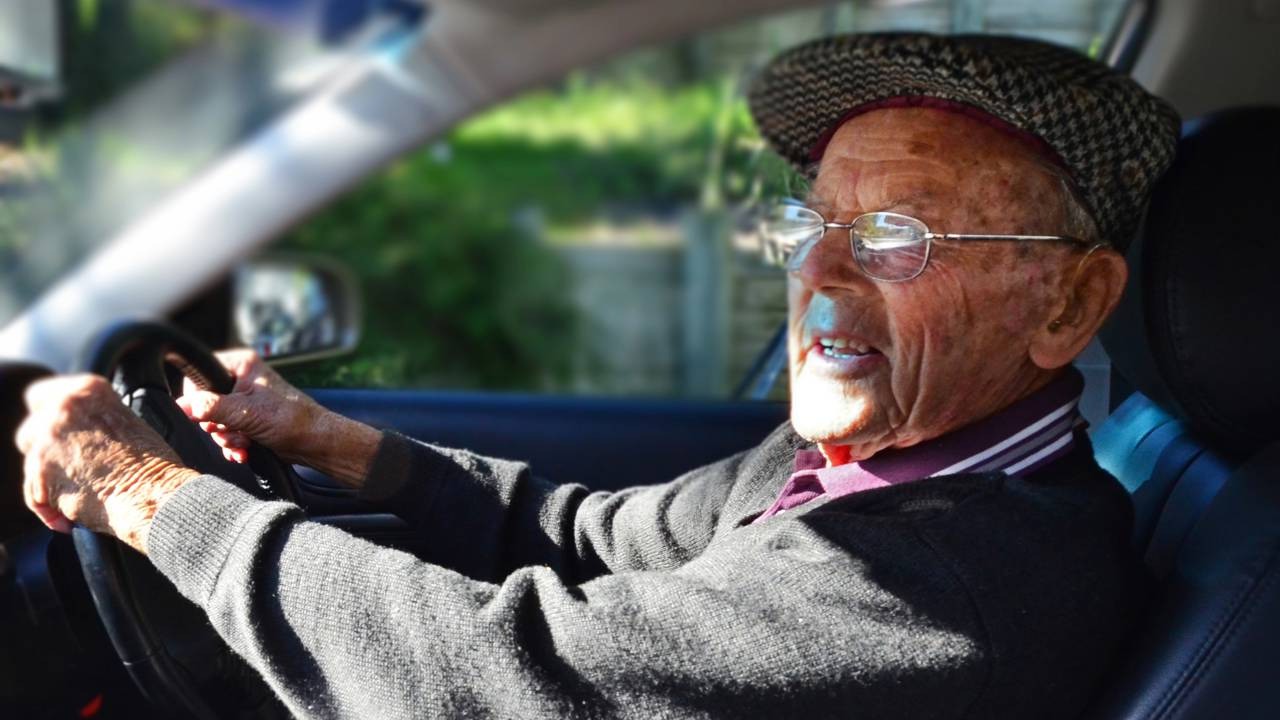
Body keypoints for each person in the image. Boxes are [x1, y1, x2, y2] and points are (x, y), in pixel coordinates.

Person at [15, 33, 1179, 719]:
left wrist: (147, 495)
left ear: (1067, 304)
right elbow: (593, 538)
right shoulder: (860, 465)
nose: (816, 272)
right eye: (809, 221)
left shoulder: (946, 587)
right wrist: (322, 438)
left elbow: (494, 679)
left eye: (894, 237)